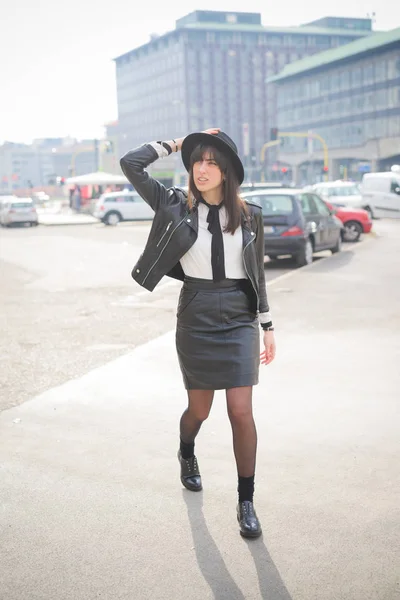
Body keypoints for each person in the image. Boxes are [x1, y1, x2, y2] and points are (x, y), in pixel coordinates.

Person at [120, 129, 276, 539]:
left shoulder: (249, 214)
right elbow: (130, 164)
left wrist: (268, 326)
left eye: (211, 161)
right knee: (200, 412)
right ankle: (187, 450)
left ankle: (246, 501)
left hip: (240, 316)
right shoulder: (174, 204)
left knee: (241, 411)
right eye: (197, 161)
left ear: (227, 171)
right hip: (197, 313)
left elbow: (257, 272)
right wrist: (175, 144)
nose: (202, 169)